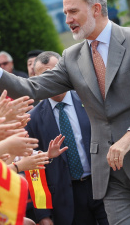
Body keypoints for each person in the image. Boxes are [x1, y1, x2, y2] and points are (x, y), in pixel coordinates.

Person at [0, 0, 130, 224]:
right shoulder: (72, 57)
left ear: (96, 9)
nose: (67, 19)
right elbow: (32, 87)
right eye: (64, 13)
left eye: (73, 11)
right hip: (110, 179)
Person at [26, 51, 108, 225]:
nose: (52, 80)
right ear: (36, 80)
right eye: (44, 76)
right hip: (66, 200)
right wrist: (43, 214)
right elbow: (34, 171)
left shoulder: (90, 100)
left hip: (103, 187)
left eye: (55, 72)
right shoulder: (32, 120)